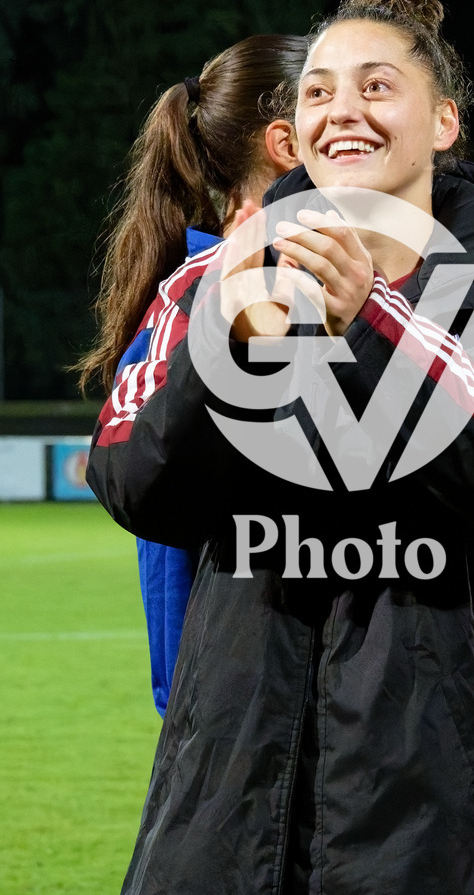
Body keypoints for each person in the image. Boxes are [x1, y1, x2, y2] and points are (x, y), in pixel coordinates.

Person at [87, 0, 474, 894]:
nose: (342, 109)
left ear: (442, 123)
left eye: (376, 85)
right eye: (317, 90)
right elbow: (131, 484)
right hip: (221, 819)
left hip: (431, 831)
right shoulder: (208, 287)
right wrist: (222, 342)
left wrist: (373, 319)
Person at [77, 35, 307, 715]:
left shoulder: (338, 280)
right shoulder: (209, 298)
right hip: (252, 732)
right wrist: (196, 724)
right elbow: (168, 545)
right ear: (287, 143)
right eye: (328, 100)